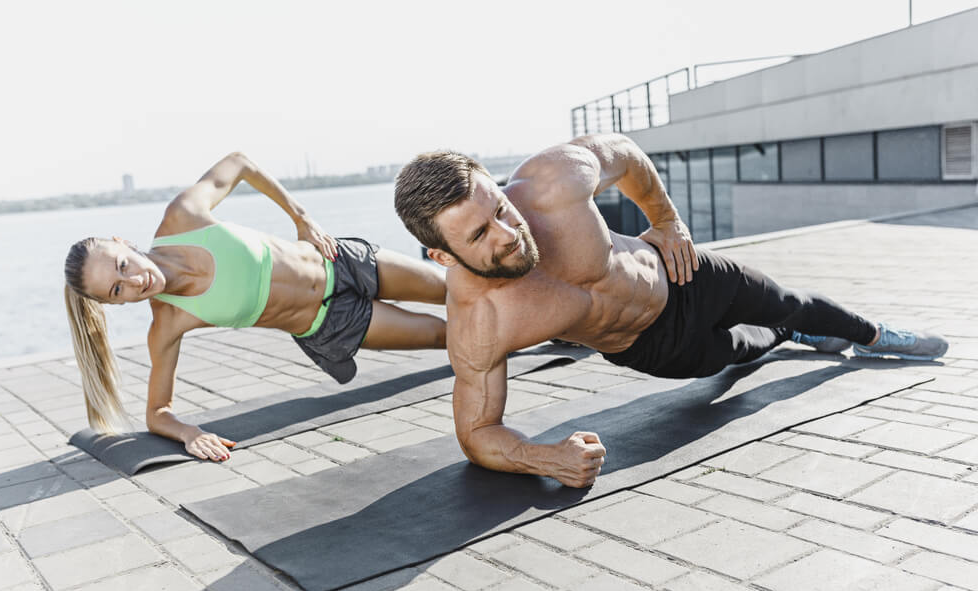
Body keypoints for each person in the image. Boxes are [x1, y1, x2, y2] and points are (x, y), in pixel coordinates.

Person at [394, 133, 948, 488]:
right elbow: (477, 432)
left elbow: (627, 155)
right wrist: (546, 458)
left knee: (788, 300)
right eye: (481, 234)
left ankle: (874, 336)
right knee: (738, 354)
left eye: (501, 209)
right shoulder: (479, 321)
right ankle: (784, 336)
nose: (510, 233)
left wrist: (667, 220)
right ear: (442, 255)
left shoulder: (552, 181)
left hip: (681, 273)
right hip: (651, 347)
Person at [65, 152, 446, 462]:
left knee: (454, 289)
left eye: (122, 265)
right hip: (334, 323)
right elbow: (157, 413)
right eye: (118, 290)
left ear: (123, 242)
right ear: (114, 304)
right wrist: (189, 433)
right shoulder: (168, 323)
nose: (134, 281)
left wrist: (302, 218)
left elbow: (240, 163)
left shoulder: (183, 216)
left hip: (340, 260)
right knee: (447, 335)